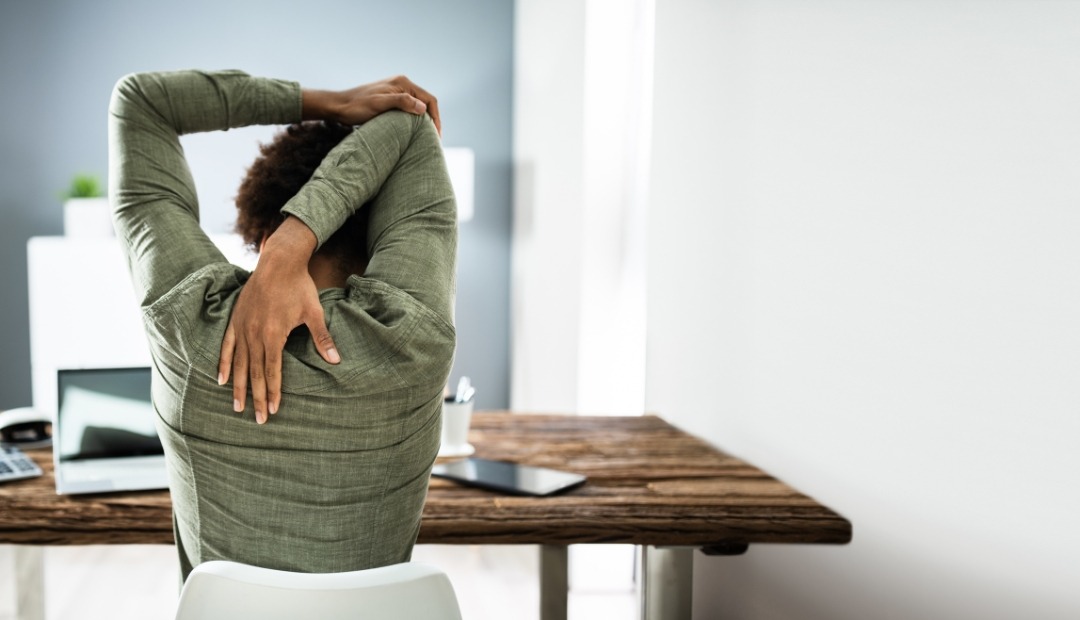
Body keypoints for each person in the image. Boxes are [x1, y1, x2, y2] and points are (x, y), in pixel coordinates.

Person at [108, 69, 456, 581]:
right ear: (384, 230)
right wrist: (303, 232)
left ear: (260, 235)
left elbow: (142, 101)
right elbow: (411, 122)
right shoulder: (410, 335)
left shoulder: (186, 318)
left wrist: (330, 102)